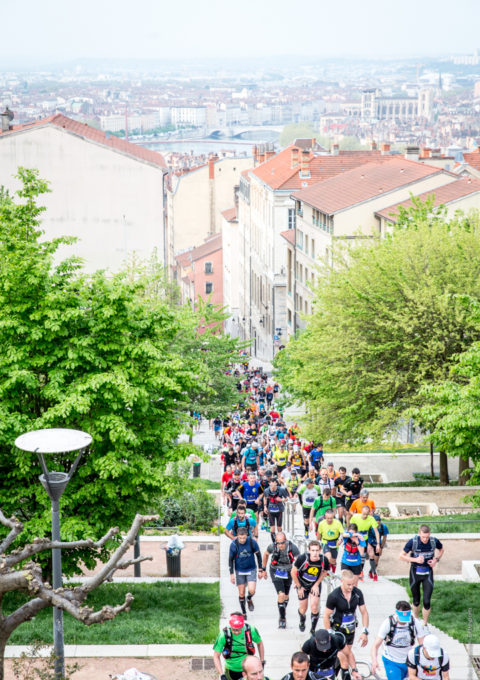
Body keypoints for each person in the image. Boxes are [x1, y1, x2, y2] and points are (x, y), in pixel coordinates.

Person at [323, 570, 369, 679]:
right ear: (341, 581)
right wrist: (329, 633)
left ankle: (332, 676)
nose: (351, 587)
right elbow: (326, 616)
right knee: (344, 656)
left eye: (353, 584)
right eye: (348, 584)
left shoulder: (357, 593)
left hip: (350, 630)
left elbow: (364, 612)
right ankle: (346, 674)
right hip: (337, 631)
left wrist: (365, 631)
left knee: (343, 657)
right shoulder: (334, 596)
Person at [399, 525, 444, 625]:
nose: (425, 539)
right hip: (415, 572)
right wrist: (415, 560)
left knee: (427, 601)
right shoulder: (413, 542)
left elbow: (441, 549)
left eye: (427, 537)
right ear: (419, 534)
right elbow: (401, 556)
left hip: (428, 572)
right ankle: (415, 620)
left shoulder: (433, 541)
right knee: (416, 600)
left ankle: (424, 623)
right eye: (423, 537)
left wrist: (436, 560)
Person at [371, 600, 425, 680]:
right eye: (402, 618)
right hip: (392, 660)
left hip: (409, 660)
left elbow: (422, 645)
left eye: (406, 619)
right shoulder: (388, 623)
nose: (404, 621)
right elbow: (375, 646)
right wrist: (374, 661)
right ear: (396, 613)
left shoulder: (415, 622)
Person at [262, 531, 300, 628]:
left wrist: (298, 579)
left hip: (288, 571)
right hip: (276, 571)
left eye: (282, 543)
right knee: (281, 594)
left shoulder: (292, 547)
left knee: (286, 596)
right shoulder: (272, 547)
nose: (280, 545)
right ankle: (282, 618)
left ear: (285, 541)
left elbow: (299, 561)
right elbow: (266, 554)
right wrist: (263, 569)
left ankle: (282, 609)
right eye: (278, 543)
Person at [291, 540, 329, 634]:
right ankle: (302, 619)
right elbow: (293, 572)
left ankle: (312, 629)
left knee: (314, 607)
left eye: (317, 550)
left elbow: (325, 572)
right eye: (313, 550)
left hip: (314, 584)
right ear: (309, 550)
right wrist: (299, 586)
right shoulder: (302, 558)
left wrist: (316, 584)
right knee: (303, 609)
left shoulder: (324, 560)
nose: (315, 553)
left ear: (320, 550)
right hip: (302, 584)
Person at [213, 612, 265, 680]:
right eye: (234, 629)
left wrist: (262, 661)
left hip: (248, 670)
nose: (236, 632)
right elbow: (216, 656)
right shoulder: (224, 635)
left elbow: (260, 643)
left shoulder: (250, 630)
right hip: (231, 670)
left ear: (243, 625)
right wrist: (222, 674)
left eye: (239, 629)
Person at [228, 527, 263, 616]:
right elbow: (230, 560)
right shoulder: (233, 544)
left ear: (247, 535)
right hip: (239, 570)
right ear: (237, 536)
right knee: (241, 592)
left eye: (244, 538)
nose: (242, 540)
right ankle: (244, 612)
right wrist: (231, 573)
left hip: (251, 568)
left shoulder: (252, 542)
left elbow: (258, 555)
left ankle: (249, 598)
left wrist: (260, 569)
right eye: (240, 538)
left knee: (251, 590)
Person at [350, 505, 380, 578]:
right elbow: (350, 528)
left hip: (364, 539)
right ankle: (351, 570)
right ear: (361, 512)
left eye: (367, 514)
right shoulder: (355, 517)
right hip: (355, 538)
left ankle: (360, 571)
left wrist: (378, 544)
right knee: (353, 554)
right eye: (364, 514)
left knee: (362, 555)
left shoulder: (371, 519)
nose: (365, 516)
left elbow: (376, 532)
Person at [317, 508, 344, 572]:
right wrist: (318, 543)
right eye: (328, 518)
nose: (329, 520)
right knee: (328, 557)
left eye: (331, 518)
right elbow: (318, 534)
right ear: (325, 517)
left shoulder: (337, 523)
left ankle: (333, 573)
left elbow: (342, 533)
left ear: (333, 516)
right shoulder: (321, 523)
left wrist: (341, 539)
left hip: (335, 542)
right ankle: (327, 572)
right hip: (325, 542)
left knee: (333, 560)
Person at [263, 477, 289, 543]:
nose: (272, 487)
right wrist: (265, 507)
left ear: (276, 483)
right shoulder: (266, 490)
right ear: (269, 484)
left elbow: (287, 498)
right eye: (270, 485)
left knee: (279, 528)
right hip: (271, 511)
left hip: (279, 510)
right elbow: (265, 498)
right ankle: (274, 543)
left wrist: (281, 500)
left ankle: (281, 540)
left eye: (273, 485)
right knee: (272, 528)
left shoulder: (281, 490)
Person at [367, 513, 389, 580]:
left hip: (378, 544)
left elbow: (384, 538)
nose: (377, 526)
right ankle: (375, 574)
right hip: (370, 542)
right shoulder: (369, 527)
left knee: (376, 561)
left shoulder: (383, 527)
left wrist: (381, 547)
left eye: (378, 524)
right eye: (376, 524)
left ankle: (371, 571)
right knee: (371, 556)